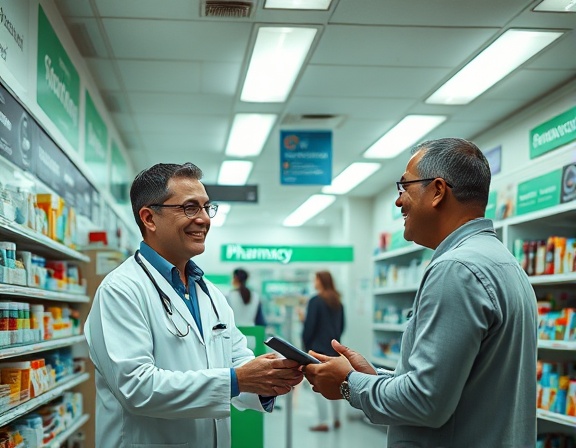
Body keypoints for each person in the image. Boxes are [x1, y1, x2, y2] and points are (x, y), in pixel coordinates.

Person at [303, 138, 538, 447]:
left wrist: (349, 384)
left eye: (405, 187)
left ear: (438, 191)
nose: (398, 202)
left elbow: (426, 402)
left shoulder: (456, 269)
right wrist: (374, 376)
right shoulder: (503, 262)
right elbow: (455, 385)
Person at [84, 162, 303, 448]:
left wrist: (268, 378)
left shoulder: (210, 293)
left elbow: (237, 360)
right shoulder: (121, 290)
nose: (204, 219)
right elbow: (136, 388)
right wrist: (237, 379)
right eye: (190, 208)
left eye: (206, 207)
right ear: (149, 218)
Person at [302, 270, 345, 432]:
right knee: (336, 383)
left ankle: (323, 421)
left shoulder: (315, 301)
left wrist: (306, 347)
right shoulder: (338, 302)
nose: (314, 282)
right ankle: (336, 419)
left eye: (315, 279)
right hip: (333, 349)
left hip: (317, 350)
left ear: (321, 281)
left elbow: (309, 327)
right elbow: (342, 326)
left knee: (319, 384)